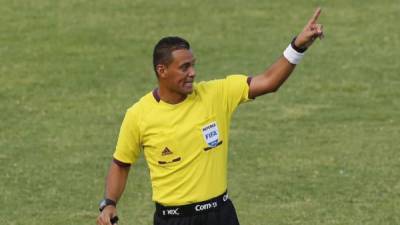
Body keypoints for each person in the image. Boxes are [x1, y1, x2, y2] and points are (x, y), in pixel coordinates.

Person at [97, 8, 324, 225]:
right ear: (162, 70)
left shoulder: (216, 94)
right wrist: (109, 203)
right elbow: (121, 163)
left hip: (219, 215)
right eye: (184, 67)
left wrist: (298, 46)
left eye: (193, 65)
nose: (193, 73)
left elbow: (269, 82)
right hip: (173, 219)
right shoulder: (139, 115)